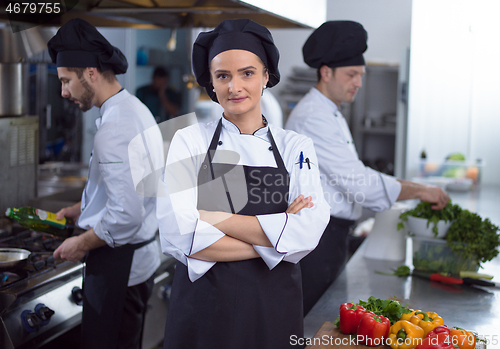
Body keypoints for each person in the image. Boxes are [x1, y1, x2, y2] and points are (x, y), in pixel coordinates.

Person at [157, 19, 330, 349]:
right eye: (223, 76)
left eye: (247, 73)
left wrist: (210, 217)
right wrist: (278, 239)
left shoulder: (296, 147)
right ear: (211, 81)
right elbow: (178, 234)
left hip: (272, 310)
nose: (234, 87)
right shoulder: (188, 141)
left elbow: (307, 232)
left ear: (266, 76)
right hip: (203, 311)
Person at [285, 20, 450, 315]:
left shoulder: (329, 111)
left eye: (361, 75)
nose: (359, 83)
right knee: (311, 328)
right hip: (317, 243)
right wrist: (421, 191)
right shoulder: (313, 117)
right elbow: (359, 183)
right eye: (351, 74)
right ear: (326, 72)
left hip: (331, 238)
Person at [47, 18, 163, 349]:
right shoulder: (135, 110)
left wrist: (81, 244)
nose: (63, 91)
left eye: (67, 80)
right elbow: (132, 187)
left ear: (91, 73)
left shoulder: (116, 128)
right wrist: (83, 207)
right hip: (136, 262)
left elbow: (126, 215)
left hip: (118, 267)